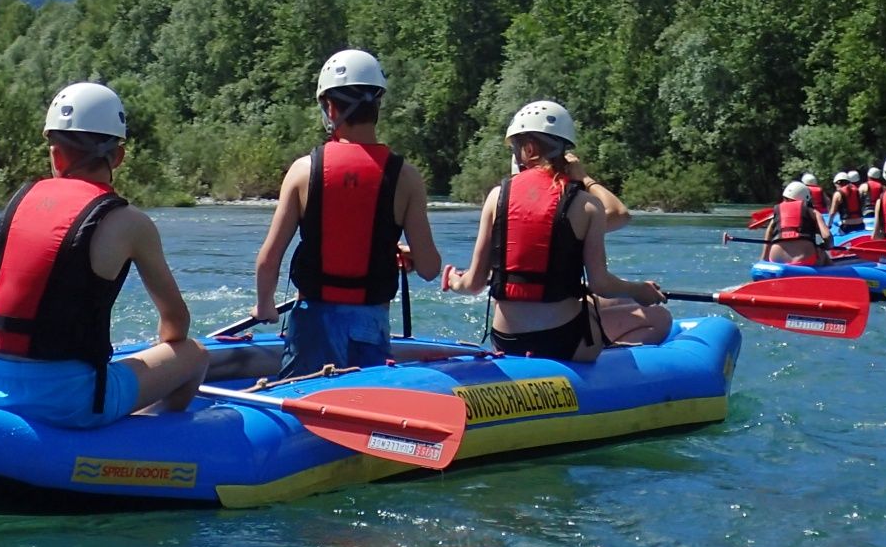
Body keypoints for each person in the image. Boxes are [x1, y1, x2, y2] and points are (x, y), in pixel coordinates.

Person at [0, 81, 209, 427]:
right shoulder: (131, 222)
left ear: (55, 155)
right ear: (117, 156)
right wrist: (160, 354)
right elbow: (176, 323)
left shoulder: (16, 205)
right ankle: (147, 433)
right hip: (74, 403)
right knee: (193, 354)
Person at [253, 48, 441, 377]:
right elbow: (429, 268)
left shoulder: (302, 171)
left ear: (330, 107)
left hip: (312, 322)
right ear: (377, 105)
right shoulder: (406, 177)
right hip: (369, 324)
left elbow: (269, 258)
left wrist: (265, 305)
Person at [442, 100, 670, 362]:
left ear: (529, 149)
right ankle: (606, 371)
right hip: (563, 342)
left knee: (611, 303)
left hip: (505, 340)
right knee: (659, 318)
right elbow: (602, 284)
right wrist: (639, 289)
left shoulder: (496, 197)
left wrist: (453, 280)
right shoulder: (587, 206)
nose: (516, 158)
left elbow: (473, 285)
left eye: (516, 150)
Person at [762, 179, 832, 265]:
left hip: (776, 258)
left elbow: (767, 240)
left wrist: (763, 260)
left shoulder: (776, 213)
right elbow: (827, 236)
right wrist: (826, 246)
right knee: (822, 253)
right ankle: (832, 274)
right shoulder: (813, 212)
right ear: (806, 198)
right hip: (805, 258)